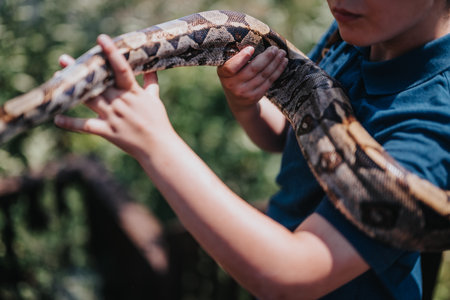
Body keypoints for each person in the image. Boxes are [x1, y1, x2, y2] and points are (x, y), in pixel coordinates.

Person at [55, 0, 450, 298]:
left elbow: (291, 273)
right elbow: (291, 137)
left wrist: (155, 143)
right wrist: (246, 103)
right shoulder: (356, 35)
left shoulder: (430, 129)